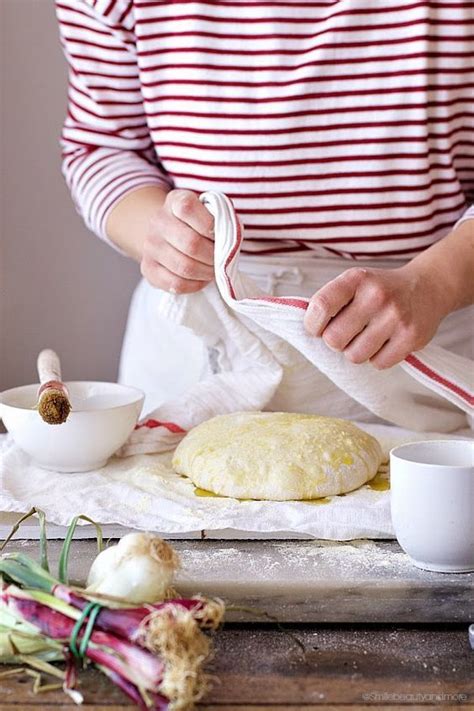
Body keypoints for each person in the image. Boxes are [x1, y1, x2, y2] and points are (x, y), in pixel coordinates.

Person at [56, 0, 473, 417]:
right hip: (202, 339)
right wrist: (158, 235)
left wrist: (436, 284)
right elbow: (102, 146)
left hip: (422, 339)